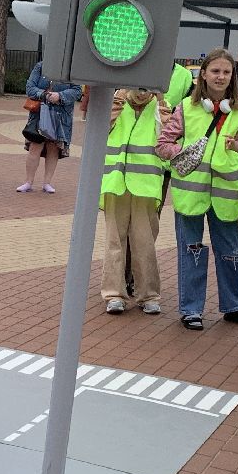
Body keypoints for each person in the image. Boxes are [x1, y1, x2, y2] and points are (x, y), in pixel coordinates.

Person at [156, 48, 238, 331]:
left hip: (226, 194)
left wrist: (236, 145)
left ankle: (234, 306)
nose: (221, 77)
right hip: (191, 193)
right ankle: (191, 309)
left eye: (226, 72)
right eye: (215, 71)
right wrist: (185, 150)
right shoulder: (186, 108)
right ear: (203, 74)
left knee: (230, 251)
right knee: (192, 250)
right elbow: (162, 145)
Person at [101, 87, 169, 315]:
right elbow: (99, 131)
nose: (142, 93)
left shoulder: (160, 107)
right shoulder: (116, 104)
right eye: (138, 87)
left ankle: (148, 295)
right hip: (115, 183)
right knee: (114, 242)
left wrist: (161, 102)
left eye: (148, 88)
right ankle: (114, 294)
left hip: (146, 185)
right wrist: (114, 105)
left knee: (144, 242)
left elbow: (168, 137)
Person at [20, 62, 79, 193]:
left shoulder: (71, 67)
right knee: (35, 146)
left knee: (53, 148)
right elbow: (30, 87)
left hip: (61, 117)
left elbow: (77, 90)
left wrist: (60, 96)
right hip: (40, 114)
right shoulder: (40, 66)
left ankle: (47, 183)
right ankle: (28, 182)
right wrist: (44, 95)